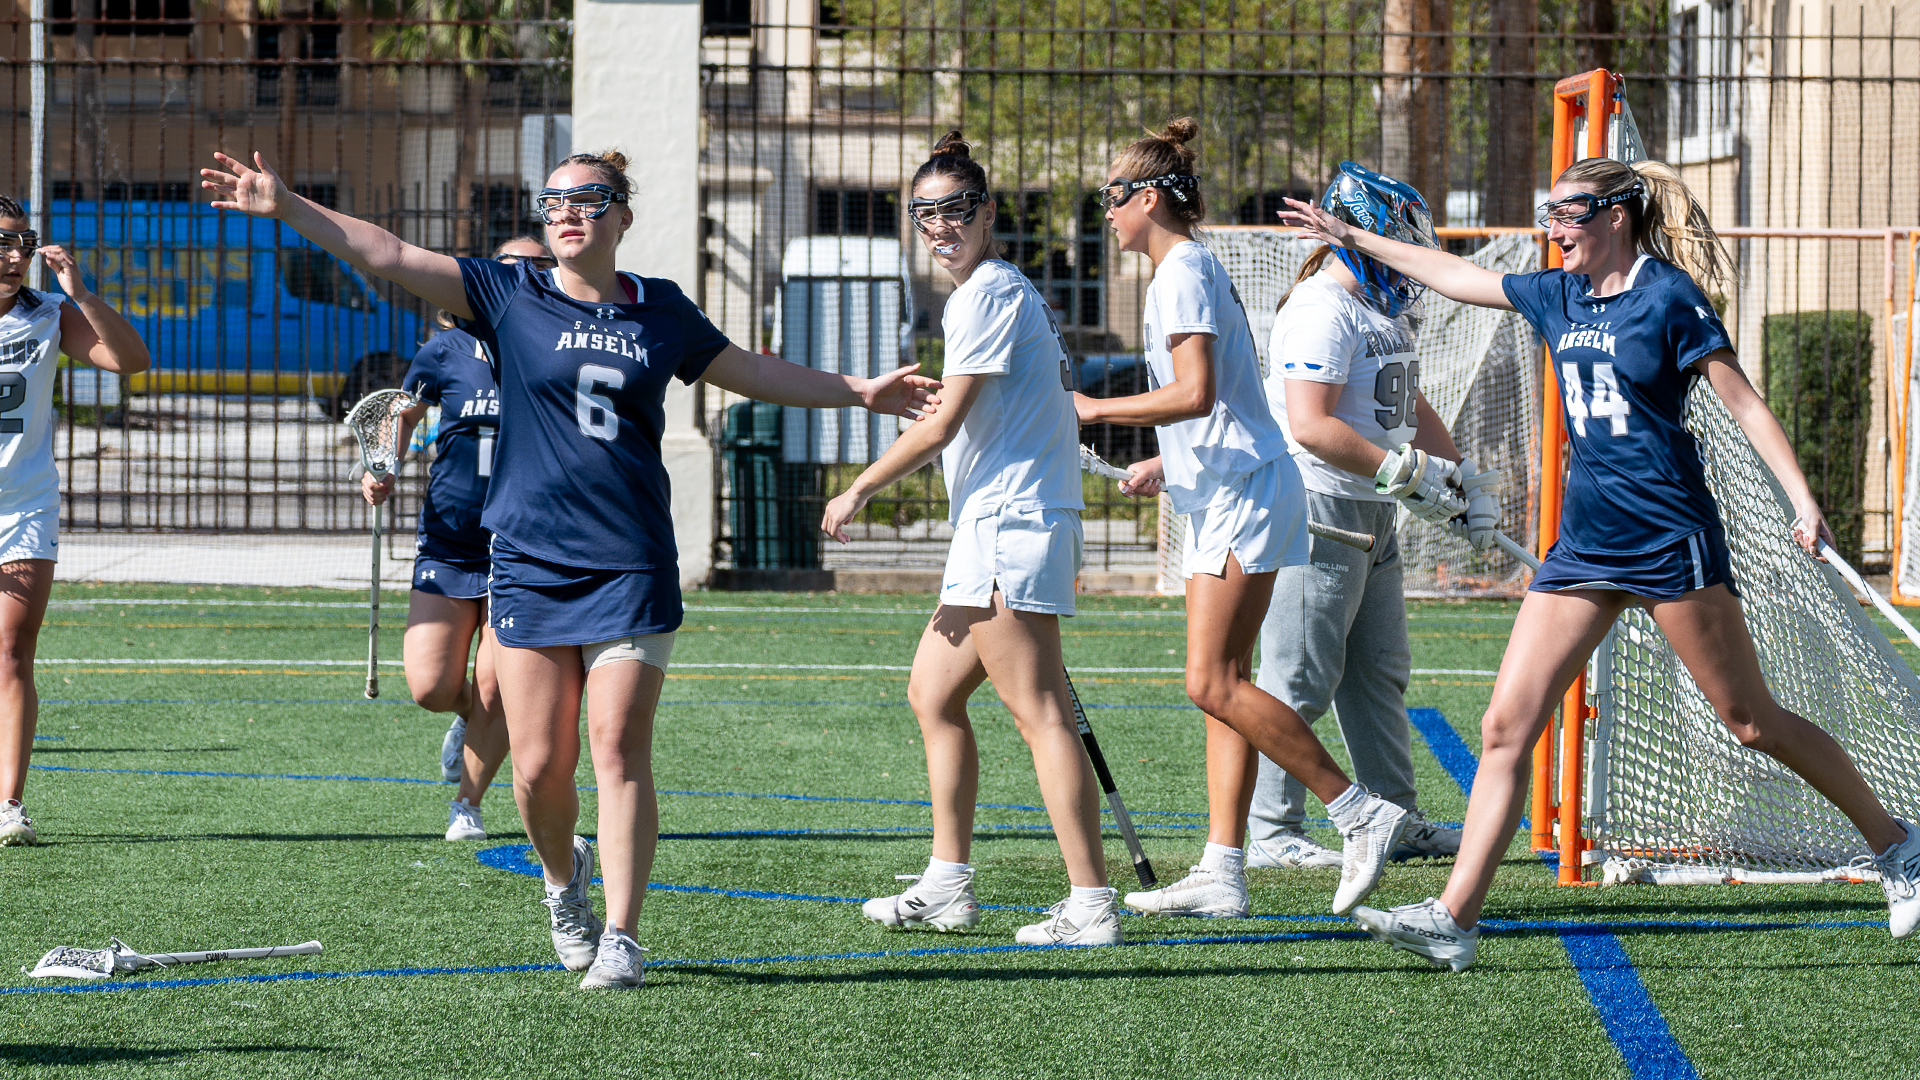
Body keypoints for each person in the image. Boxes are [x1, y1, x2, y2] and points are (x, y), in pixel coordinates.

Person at [203, 149, 938, 989]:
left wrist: (858, 389)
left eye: (588, 199)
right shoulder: (508, 295)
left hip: (629, 563)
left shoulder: (660, 309)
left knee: (618, 748)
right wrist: (290, 202)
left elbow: (750, 370)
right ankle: (564, 884)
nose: (566, 211)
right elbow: (389, 254)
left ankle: (624, 935)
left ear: (622, 215)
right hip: (526, 561)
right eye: (552, 200)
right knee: (538, 771)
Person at [1277, 156, 1920, 971]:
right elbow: (1446, 273)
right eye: (1551, 212)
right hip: (1584, 545)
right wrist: (1349, 233)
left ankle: (1897, 845)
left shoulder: (1669, 297)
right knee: (1506, 727)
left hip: (1667, 538)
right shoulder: (1557, 291)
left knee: (1750, 719)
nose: (1555, 227)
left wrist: (1799, 497)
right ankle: (1453, 919)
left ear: (1617, 214)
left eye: (1570, 212)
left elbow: (1743, 400)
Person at [1073, 119, 1410, 921]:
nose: (1107, 213)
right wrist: (1170, 461)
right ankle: (1223, 868)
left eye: (1112, 197)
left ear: (1147, 197)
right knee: (1220, 685)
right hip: (1225, 489)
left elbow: (1194, 393)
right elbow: (1221, 403)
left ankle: (1358, 810)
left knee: (1210, 681)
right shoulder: (1184, 270)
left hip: (1245, 496)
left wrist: (1089, 406)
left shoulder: (1179, 272)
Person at [822, 131, 1119, 946]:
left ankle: (1091, 903)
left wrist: (859, 486)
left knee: (1040, 713)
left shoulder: (984, 293)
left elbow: (947, 420)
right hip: (999, 525)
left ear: (987, 212)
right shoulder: (1003, 291)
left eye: (956, 210)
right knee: (934, 693)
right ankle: (948, 883)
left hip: (1009, 526)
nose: (941, 225)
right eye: (925, 214)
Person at [1244, 163, 1473, 872]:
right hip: (1322, 507)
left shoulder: (1381, 311)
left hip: (1376, 512)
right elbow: (1310, 426)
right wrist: (1403, 472)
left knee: (1377, 672)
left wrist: (1460, 476)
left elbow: (1412, 405)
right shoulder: (1322, 307)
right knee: (1299, 674)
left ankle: (1395, 819)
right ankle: (1273, 831)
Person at [361, 236, 555, 841]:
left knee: (499, 684)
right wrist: (378, 465)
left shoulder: (554, 347)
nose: (524, 275)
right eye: (510, 267)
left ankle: (467, 805)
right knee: (431, 687)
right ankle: (466, 717)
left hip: (522, 543)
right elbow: (402, 414)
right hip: (449, 537)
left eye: (538, 265)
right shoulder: (444, 351)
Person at [0, 195, 151, 846]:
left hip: (23, 504)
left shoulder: (47, 314)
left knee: (10, 651)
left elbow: (130, 361)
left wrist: (81, 291)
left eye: (21, 241)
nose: (14, 255)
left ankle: (8, 804)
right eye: (1, 243)